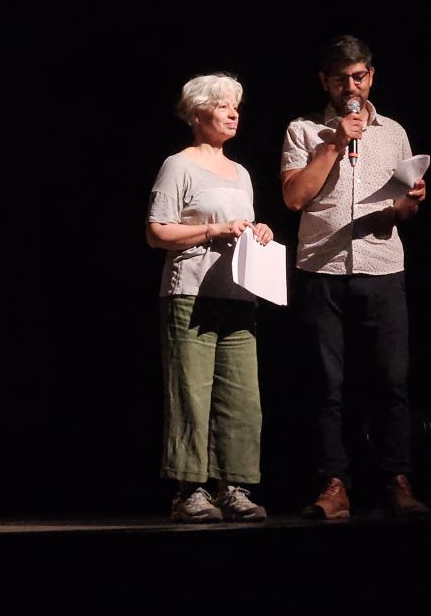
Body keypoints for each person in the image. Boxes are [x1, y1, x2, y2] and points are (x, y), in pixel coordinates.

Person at [280, 35, 431, 520]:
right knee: (327, 384)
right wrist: (337, 141)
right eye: (342, 78)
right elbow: (294, 198)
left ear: (371, 76)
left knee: (392, 381)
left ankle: (396, 480)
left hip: (382, 267)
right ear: (325, 80)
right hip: (321, 269)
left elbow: (402, 205)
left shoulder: (393, 132)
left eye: (360, 76)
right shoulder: (304, 130)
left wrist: (409, 204)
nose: (353, 86)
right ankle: (334, 484)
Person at [146, 73, 273, 524]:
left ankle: (234, 487)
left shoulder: (241, 173)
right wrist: (213, 230)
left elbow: (244, 226)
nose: (233, 112)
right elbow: (157, 231)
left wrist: (260, 231)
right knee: (191, 394)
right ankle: (190, 492)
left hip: (238, 296)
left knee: (242, 397)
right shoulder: (178, 165)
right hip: (190, 294)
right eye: (223, 105)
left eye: (236, 105)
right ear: (199, 113)